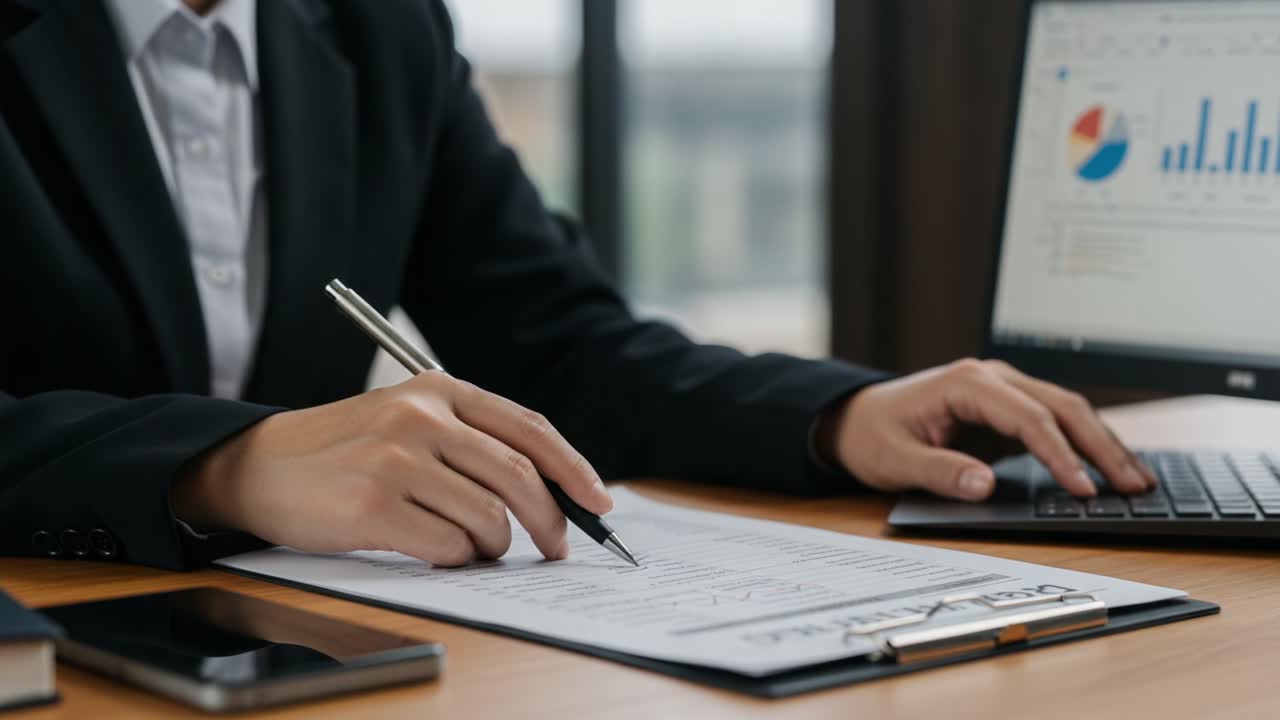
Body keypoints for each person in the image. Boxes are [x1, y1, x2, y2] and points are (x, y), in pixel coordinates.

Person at [0, 0, 1155, 571]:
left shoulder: (377, 29)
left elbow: (558, 345)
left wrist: (834, 415)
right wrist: (224, 465)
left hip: (302, 655)